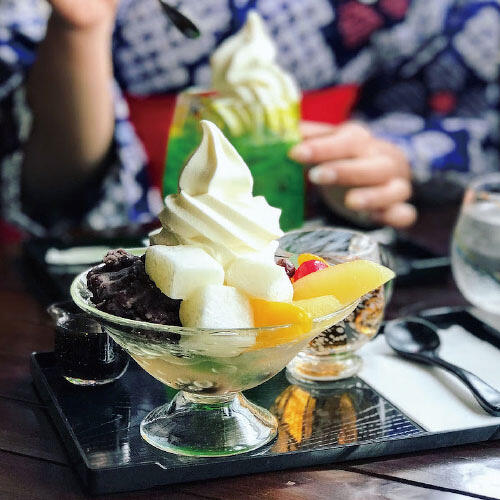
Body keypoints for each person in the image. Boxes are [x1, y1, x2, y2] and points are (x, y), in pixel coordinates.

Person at [1, 0, 499, 235]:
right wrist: (80, 29)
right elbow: (45, 188)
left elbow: (469, 109)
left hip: (310, 238)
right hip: (96, 257)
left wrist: (381, 157)